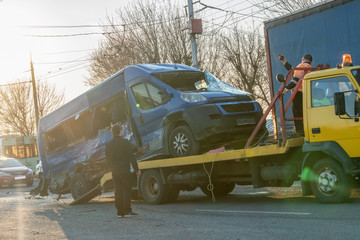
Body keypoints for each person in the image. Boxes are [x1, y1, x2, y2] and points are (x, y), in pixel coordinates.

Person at [105, 125, 141, 218]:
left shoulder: (108, 145)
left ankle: (120, 212)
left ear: (112, 133)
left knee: (118, 190)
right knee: (126, 190)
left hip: (115, 171)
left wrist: (111, 168)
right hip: (124, 170)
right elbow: (131, 157)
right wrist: (136, 169)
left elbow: (107, 159)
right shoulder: (125, 142)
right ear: (120, 131)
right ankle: (127, 211)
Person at [279, 54, 313, 134]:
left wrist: (287, 88)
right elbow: (292, 71)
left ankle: (300, 132)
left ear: (302, 59)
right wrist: (284, 61)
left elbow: (295, 80)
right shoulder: (309, 68)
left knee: (298, 115)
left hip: (298, 94)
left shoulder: (301, 66)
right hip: (308, 94)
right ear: (311, 61)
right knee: (306, 114)